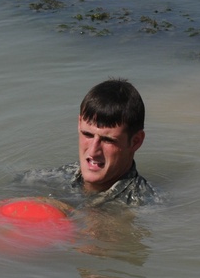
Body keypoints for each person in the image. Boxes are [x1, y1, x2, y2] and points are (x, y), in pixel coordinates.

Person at [22, 78, 157, 207]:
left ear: (136, 141)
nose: (93, 151)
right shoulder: (48, 178)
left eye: (107, 140)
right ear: (79, 124)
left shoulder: (145, 205)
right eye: (87, 134)